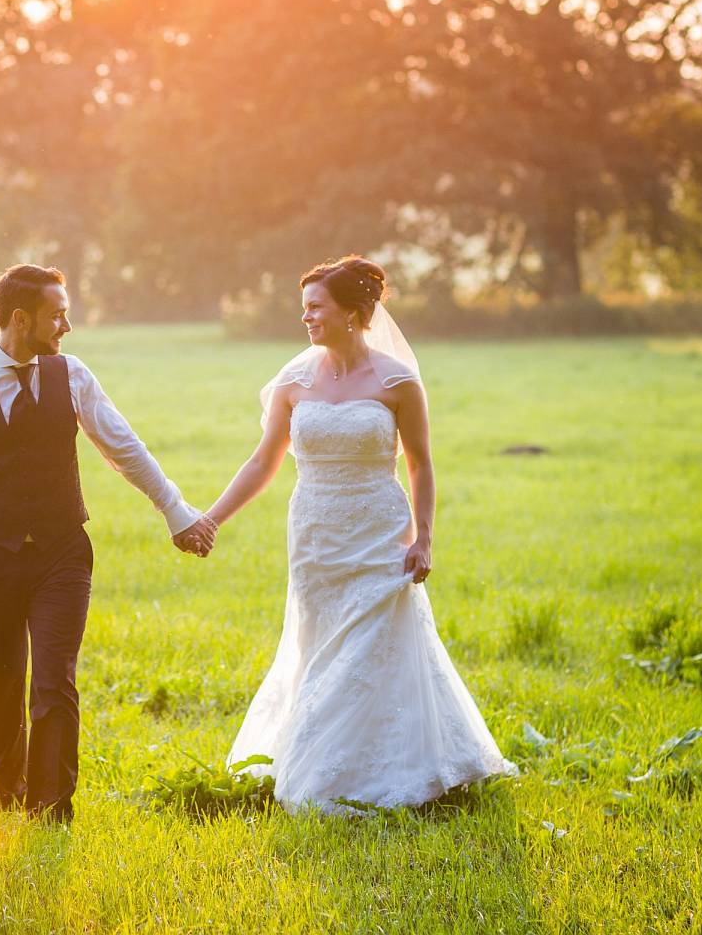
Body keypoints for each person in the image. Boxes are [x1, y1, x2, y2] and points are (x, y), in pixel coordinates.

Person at [200, 255, 513, 812]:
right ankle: (318, 756)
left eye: (316, 308)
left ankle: (384, 769)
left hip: (379, 531)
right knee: (320, 646)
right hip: (316, 536)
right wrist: (211, 519)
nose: (307, 319)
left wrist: (424, 539)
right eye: (305, 309)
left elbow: (420, 464)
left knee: (376, 644)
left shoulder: (398, 382)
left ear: (352, 313)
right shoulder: (294, 381)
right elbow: (262, 462)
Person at [0, 264, 218, 823]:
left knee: (55, 681)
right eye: (58, 314)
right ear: (19, 318)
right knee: (1, 681)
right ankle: (5, 792)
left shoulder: (72, 375)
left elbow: (123, 448)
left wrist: (176, 513)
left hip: (63, 554)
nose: (67, 325)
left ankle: (51, 808)